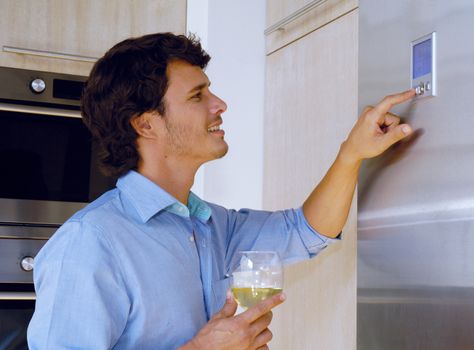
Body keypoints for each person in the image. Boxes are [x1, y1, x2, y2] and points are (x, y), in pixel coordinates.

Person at [27, 32, 415, 349]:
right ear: (146, 125)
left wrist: (352, 154)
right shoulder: (89, 244)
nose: (220, 104)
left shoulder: (213, 227)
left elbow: (307, 231)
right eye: (198, 96)